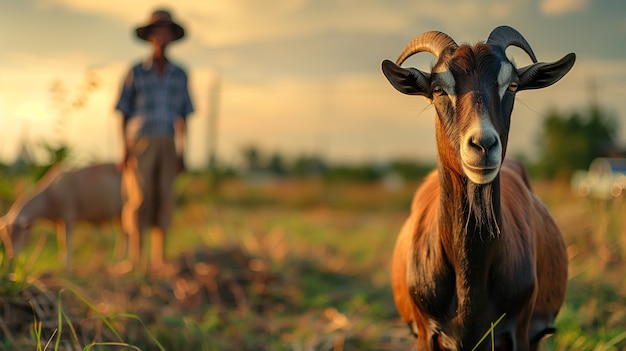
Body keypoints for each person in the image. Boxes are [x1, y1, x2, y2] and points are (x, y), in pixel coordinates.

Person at [115, 8, 193, 270]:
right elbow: (123, 111)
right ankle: (137, 260)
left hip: (168, 140)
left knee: (165, 196)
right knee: (140, 196)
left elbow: (184, 115)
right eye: (156, 32)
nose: (161, 37)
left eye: (165, 32)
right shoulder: (136, 71)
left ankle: (160, 259)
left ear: (171, 37)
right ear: (149, 37)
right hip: (141, 140)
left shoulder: (179, 74)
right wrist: (124, 148)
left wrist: (183, 151)